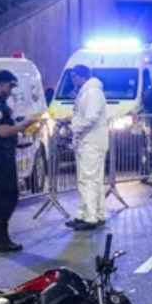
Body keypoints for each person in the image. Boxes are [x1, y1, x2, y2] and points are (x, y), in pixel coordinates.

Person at [0, 70, 43, 252]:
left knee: (2, 195)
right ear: (0, 83)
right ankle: (1, 238)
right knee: (8, 195)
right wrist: (24, 124)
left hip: (2, 153)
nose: (11, 90)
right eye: (9, 86)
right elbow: (2, 131)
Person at [66, 65, 108, 231]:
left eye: (73, 76)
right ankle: (93, 214)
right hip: (90, 141)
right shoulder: (90, 91)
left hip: (90, 142)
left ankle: (90, 217)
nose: (72, 80)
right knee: (93, 180)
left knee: (88, 179)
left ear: (80, 76)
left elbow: (90, 118)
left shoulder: (92, 92)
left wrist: (74, 127)